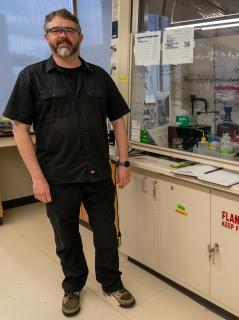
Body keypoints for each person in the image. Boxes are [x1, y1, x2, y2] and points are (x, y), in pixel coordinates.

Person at [3, 9, 135, 317]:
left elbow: (118, 120)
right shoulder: (31, 77)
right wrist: (36, 178)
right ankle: (73, 285)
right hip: (57, 176)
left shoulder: (99, 77)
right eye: (55, 30)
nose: (62, 35)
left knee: (105, 232)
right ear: (46, 37)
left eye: (69, 29)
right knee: (66, 237)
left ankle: (111, 283)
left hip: (99, 173)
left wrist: (124, 163)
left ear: (80, 36)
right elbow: (20, 129)